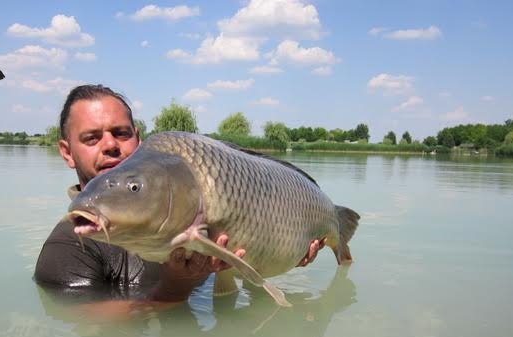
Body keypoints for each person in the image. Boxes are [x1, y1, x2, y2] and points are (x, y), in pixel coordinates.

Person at [34, 84, 322, 310]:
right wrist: (175, 289)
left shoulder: (185, 203)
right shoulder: (65, 250)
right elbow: (89, 325)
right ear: (66, 152)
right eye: (91, 138)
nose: (110, 144)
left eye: (120, 133)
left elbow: (235, 270)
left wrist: (284, 252)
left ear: (138, 138)